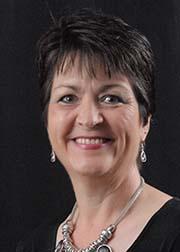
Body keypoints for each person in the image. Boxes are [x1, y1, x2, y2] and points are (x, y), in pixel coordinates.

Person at [16, 9, 180, 252]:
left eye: (111, 98)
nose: (90, 118)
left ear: (144, 122)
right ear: (48, 120)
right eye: (68, 97)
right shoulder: (32, 246)